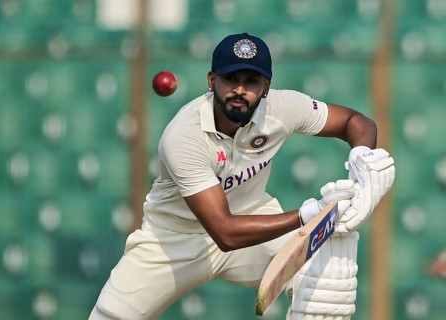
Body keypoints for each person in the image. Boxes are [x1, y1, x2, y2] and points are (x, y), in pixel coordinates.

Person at [89, 33, 395, 320]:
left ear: (266, 86)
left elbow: (355, 121)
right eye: (230, 79)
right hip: (172, 240)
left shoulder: (282, 107)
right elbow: (225, 233)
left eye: (251, 81)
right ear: (212, 81)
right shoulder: (184, 135)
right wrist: (310, 214)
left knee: (324, 273)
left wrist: (361, 156)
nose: (239, 89)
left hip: (252, 220)